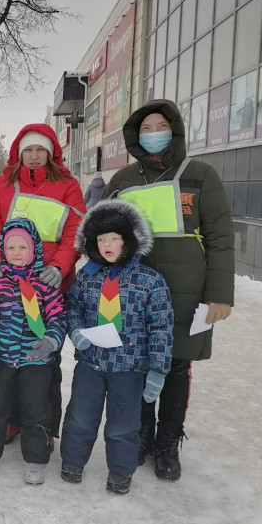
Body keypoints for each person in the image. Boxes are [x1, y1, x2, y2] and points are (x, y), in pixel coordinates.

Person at [104, 99, 235, 481]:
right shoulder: (124, 179)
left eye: (161, 125)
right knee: (139, 364)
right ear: (135, 135)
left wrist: (220, 292)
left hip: (188, 291)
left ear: (174, 129)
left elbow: (221, 238)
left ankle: (168, 443)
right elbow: (100, 231)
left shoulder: (201, 175)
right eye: (146, 128)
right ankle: (143, 436)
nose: (154, 133)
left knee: (177, 367)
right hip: (134, 291)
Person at [60, 200, 174, 495]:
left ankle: (121, 473)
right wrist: (77, 332)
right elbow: (72, 308)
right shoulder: (87, 276)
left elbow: (161, 327)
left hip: (130, 368)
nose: (107, 245)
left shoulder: (150, 281)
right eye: (101, 239)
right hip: (91, 364)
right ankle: (72, 463)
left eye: (114, 238)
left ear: (129, 240)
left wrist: (158, 370)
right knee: (80, 418)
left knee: (123, 425)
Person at [0, 123, 85, 446]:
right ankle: (11, 420)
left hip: (48, 284)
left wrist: (60, 266)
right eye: (29, 150)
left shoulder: (68, 185)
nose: (35, 156)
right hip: (9, 282)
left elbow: (75, 231)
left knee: (45, 359)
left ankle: (43, 425)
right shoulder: (2, 185)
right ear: (19, 153)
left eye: (41, 150)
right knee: (7, 355)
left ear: (52, 153)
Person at [0, 218, 66, 484]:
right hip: (1, 358)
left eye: (22, 247)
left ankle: (36, 460)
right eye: (10, 247)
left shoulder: (46, 284)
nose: (16, 253)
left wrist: (50, 341)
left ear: (34, 249)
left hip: (36, 361)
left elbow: (58, 318)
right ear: (3, 250)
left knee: (36, 408)